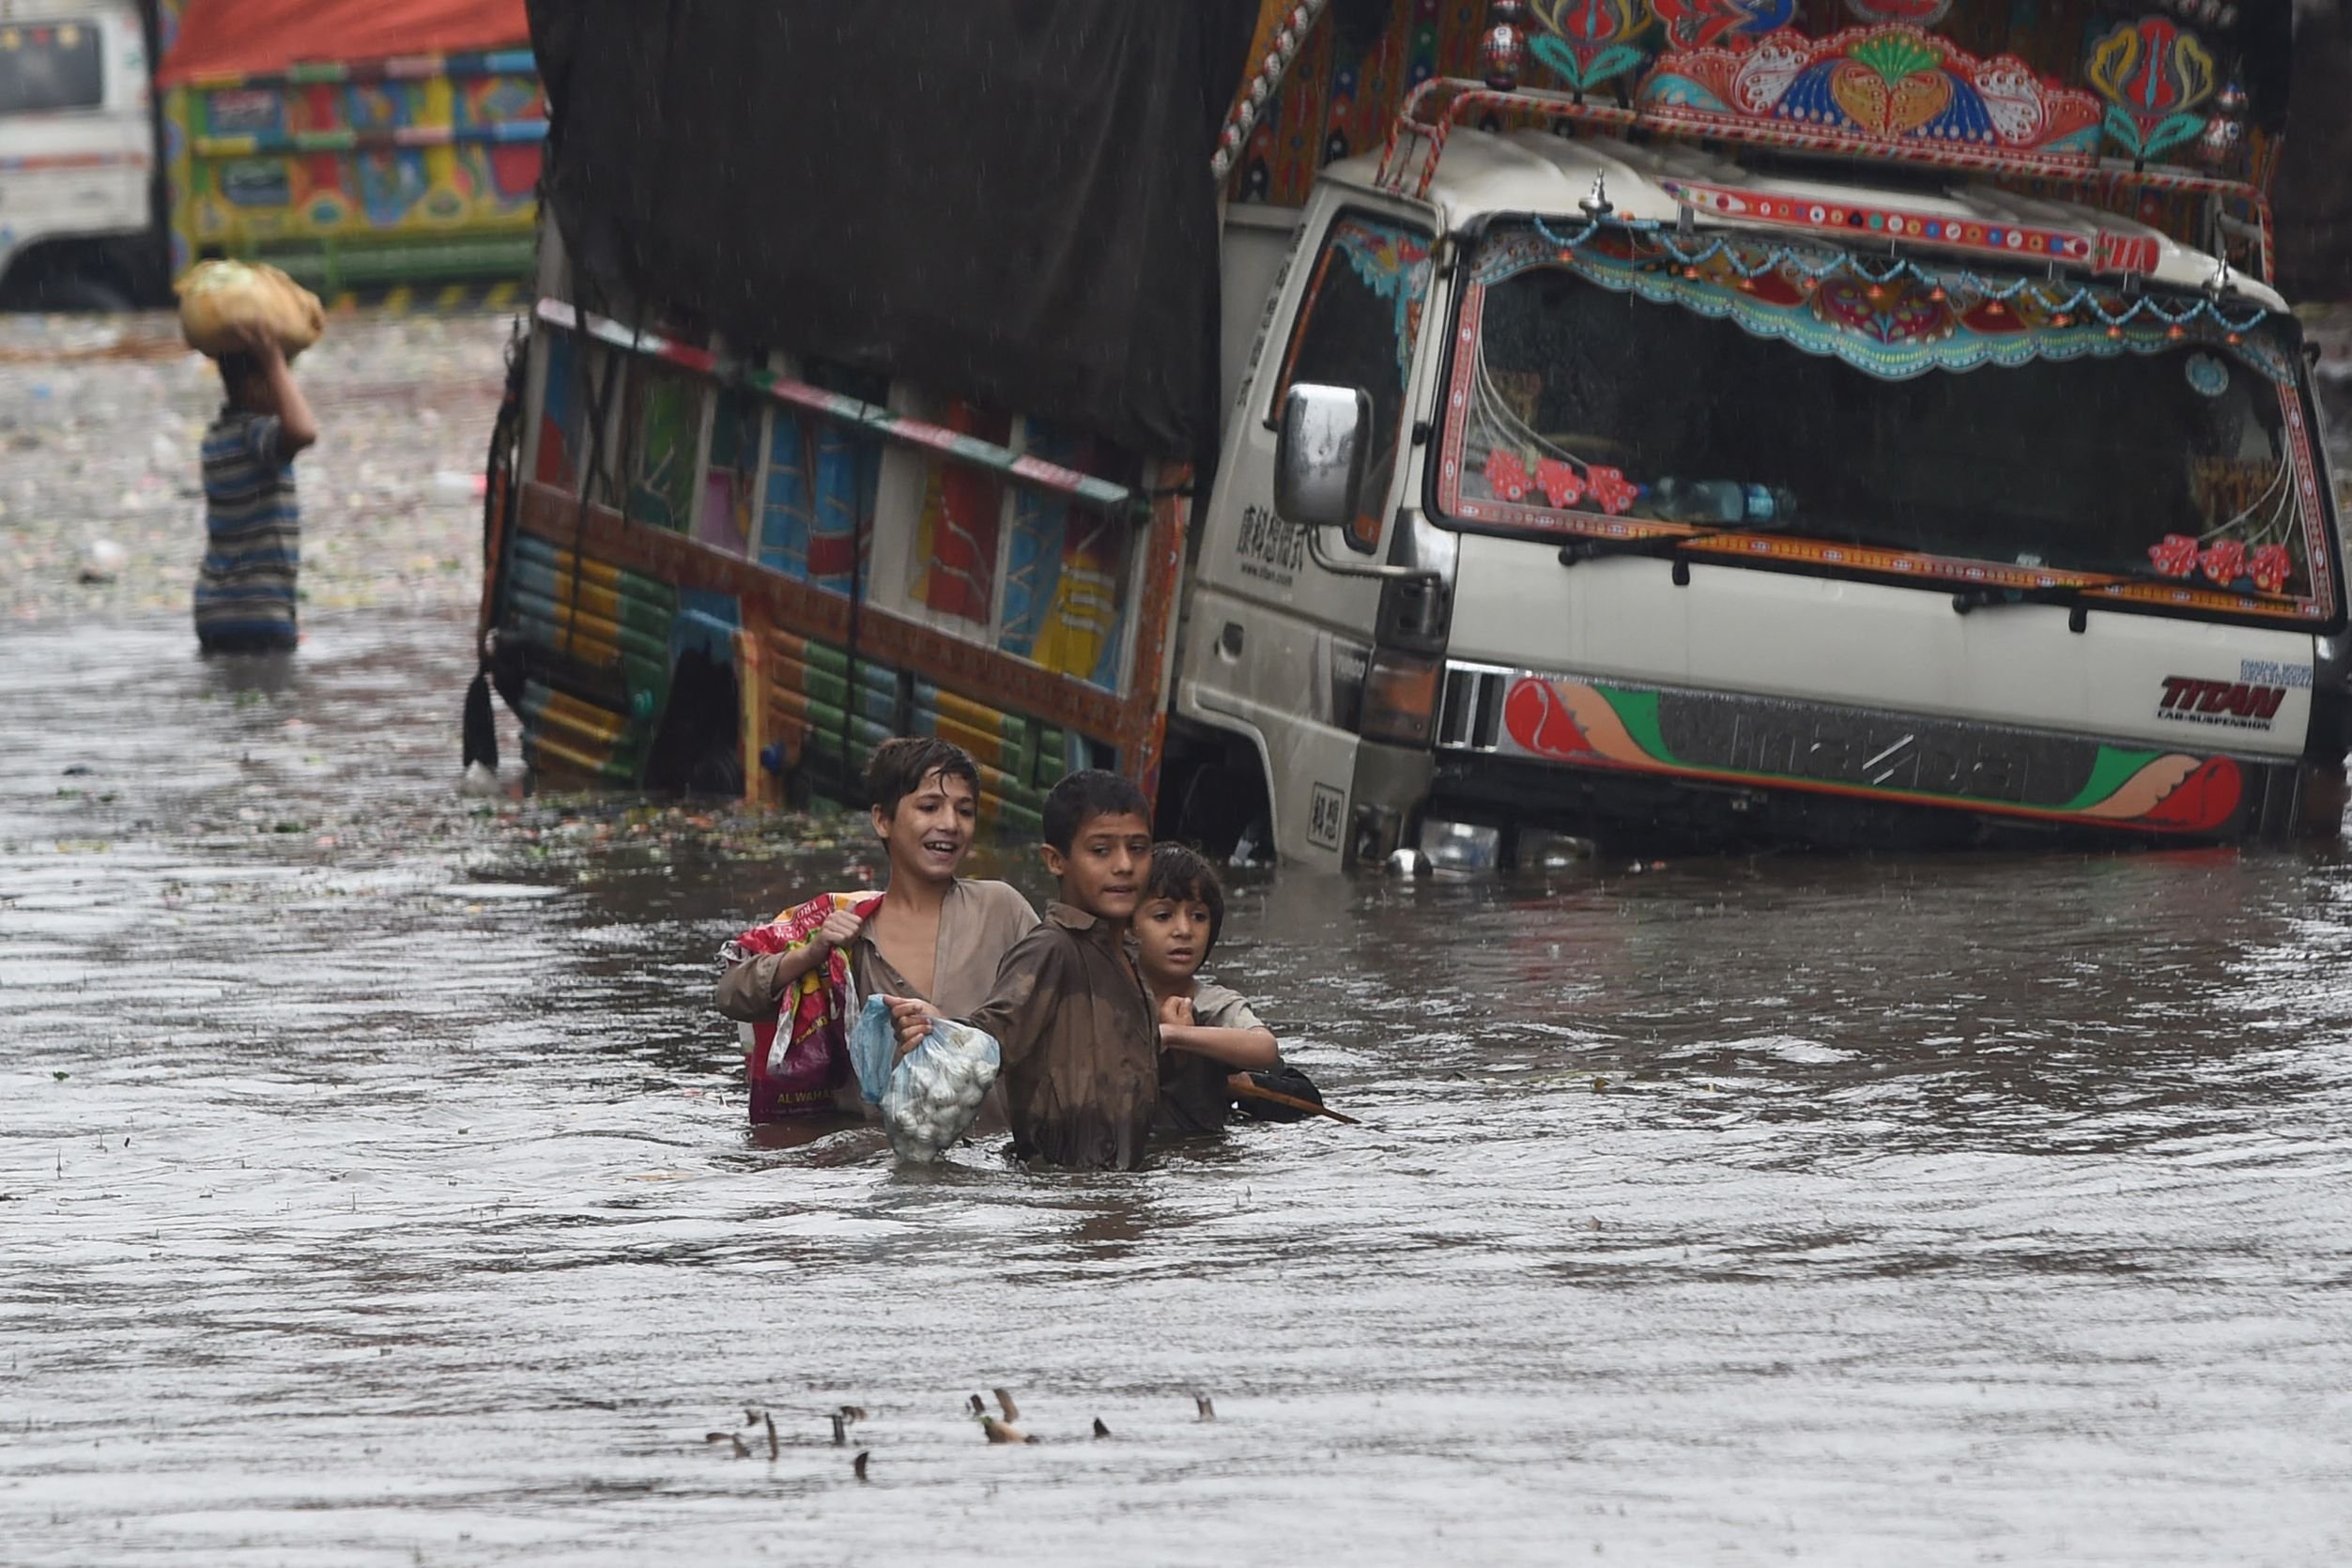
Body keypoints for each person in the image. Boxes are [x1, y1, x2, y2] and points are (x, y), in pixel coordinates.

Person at [715, 737, 1038, 1120]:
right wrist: (810, 955)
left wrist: (952, 1033)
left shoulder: (1000, 909)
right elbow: (732, 996)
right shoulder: (843, 924)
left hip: (987, 1160)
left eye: (964, 811)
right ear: (883, 820)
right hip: (876, 1165)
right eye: (930, 807)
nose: (950, 824)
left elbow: (1054, 1019)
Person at [885, 769, 1160, 1169]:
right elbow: (992, 1037)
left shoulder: (1125, 955)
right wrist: (941, 1029)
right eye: (1101, 851)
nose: (1124, 866)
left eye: (1138, 849)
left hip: (1115, 1183)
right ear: (1056, 860)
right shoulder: (1052, 949)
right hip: (1062, 1192)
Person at [1131, 844, 1282, 1138]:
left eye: (1199, 916)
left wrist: (1175, 1035)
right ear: (1126, 927)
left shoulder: (1214, 1004)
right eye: (1163, 916)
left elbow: (1264, 1049)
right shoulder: (1107, 996)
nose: (1184, 930)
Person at [193, 325, 317, 654]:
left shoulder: (217, 436)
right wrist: (274, 360)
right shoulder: (256, 436)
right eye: (279, 382)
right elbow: (305, 432)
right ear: (255, 388)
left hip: (213, 614)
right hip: (259, 616)